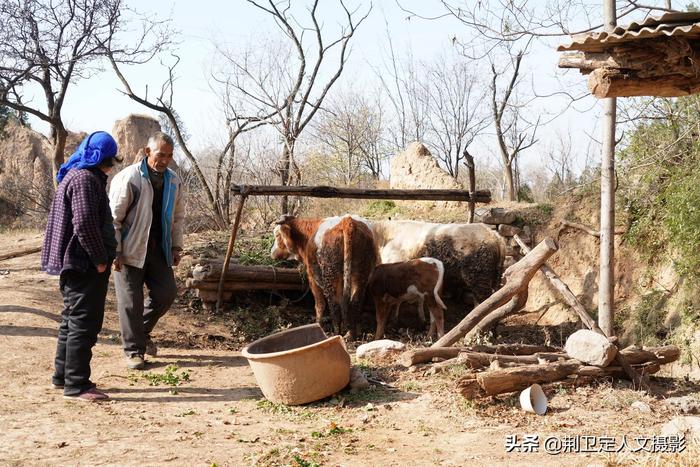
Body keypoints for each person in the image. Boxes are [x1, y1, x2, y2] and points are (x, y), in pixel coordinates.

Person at [42, 131, 120, 402]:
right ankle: (77, 384)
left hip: (75, 262)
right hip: (83, 263)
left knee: (71, 320)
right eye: (110, 162)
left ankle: (63, 376)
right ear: (103, 158)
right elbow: (85, 223)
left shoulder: (75, 174)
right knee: (83, 322)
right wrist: (100, 259)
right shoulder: (86, 179)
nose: (110, 167)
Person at [109, 132, 185, 370]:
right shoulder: (129, 178)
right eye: (161, 154)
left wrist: (176, 245)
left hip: (158, 249)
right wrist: (115, 251)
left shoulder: (173, 180)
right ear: (147, 151)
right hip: (129, 250)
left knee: (167, 293)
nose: (165, 160)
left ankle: (140, 333)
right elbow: (114, 219)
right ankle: (133, 351)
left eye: (170, 156)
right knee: (131, 302)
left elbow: (177, 217)